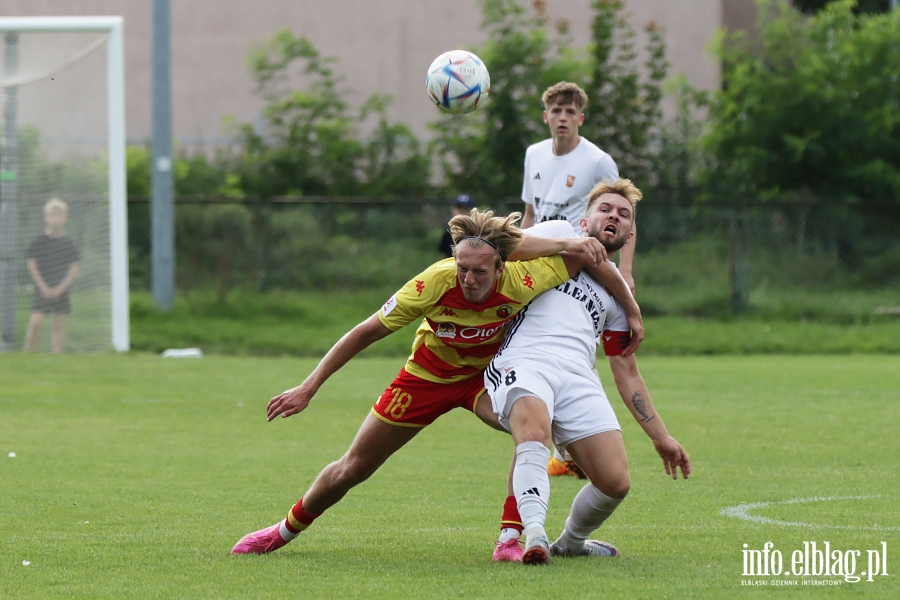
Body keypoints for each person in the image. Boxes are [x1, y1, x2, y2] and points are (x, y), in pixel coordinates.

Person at [231, 208, 644, 555]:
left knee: (533, 431)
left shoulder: (526, 279)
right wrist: (308, 386)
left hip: (485, 380)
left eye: (479, 271)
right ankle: (282, 532)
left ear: (503, 266)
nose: (468, 278)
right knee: (354, 467)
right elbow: (365, 332)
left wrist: (630, 309)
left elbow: (595, 261)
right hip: (426, 378)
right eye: (462, 268)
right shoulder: (432, 283)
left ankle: (510, 538)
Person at [486, 179, 690, 565]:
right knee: (534, 434)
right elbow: (504, 244)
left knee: (615, 482)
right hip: (526, 359)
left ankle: (572, 542)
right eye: (605, 209)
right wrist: (569, 245)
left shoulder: (619, 297)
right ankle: (532, 536)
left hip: (579, 376)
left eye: (623, 214)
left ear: (630, 234)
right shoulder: (559, 232)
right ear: (585, 220)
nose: (614, 215)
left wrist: (661, 437)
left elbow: (627, 371)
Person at [520, 81, 638, 478]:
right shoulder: (533, 154)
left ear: (581, 119)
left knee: (576, 350)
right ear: (546, 116)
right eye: (557, 110)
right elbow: (531, 216)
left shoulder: (598, 161)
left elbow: (623, 218)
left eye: (571, 112)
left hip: (586, 267)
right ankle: (565, 446)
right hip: (544, 263)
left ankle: (575, 443)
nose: (564, 118)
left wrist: (624, 271)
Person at [24, 198, 80, 354]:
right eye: (52, 215)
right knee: (36, 322)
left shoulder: (68, 243)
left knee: (58, 323)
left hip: (60, 289)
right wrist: (43, 287)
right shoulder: (39, 241)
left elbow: (74, 268)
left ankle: (57, 355)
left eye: (59, 215)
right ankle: (28, 354)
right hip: (42, 288)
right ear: (46, 218)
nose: (56, 218)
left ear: (65, 218)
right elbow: (32, 264)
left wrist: (61, 288)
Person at [438, 194, 476, 258]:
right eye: (459, 209)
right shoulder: (448, 231)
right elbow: (446, 254)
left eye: (465, 209)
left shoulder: (477, 231)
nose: (462, 212)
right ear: (453, 210)